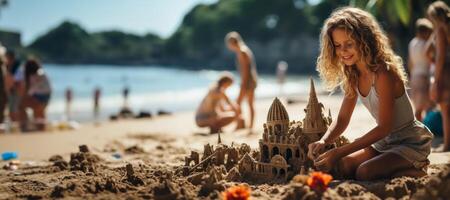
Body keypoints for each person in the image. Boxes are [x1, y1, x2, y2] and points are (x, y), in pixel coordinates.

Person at [308, 7, 433, 181]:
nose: (343, 50)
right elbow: (343, 119)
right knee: (344, 166)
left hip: (409, 142)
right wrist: (324, 141)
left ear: (364, 40)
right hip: (384, 142)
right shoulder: (353, 76)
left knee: (365, 172)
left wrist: (338, 152)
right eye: (337, 45)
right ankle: (395, 166)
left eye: (349, 44)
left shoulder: (383, 73)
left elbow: (384, 127)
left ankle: (417, 168)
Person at [427, 1, 450, 151]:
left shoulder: (441, 30)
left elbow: (440, 57)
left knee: (445, 110)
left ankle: (447, 144)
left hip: (446, 73)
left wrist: (436, 81)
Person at [225, 32, 258, 130]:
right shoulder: (245, 50)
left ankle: (241, 125)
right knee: (249, 104)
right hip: (251, 80)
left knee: (238, 103)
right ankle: (248, 126)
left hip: (247, 81)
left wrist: (243, 84)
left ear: (232, 42)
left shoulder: (242, 52)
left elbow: (245, 70)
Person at [408, 18, 434, 121]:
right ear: (425, 32)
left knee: (418, 106)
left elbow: (410, 62)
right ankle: (425, 129)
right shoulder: (425, 45)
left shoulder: (412, 43)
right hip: (423, 77)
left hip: (414, 77)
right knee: (426, 107)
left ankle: (421, 130)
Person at [21, 58, 51, 131]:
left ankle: (25, 124)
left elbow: (32, 88)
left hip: (39, 96)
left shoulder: (36, 74)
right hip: (46, 96)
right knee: (39, 112)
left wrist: (27, 95)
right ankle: (40, 127)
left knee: (21, 105)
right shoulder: (41, 72)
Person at [4, 50, 24, 123]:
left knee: (14, 109)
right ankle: (14, 124)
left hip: (16, 91)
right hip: (12, 90)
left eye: (6, 57)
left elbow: (18, 81)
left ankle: (16, 125)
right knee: (12, 109)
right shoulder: (10, 66)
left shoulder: (17, 67)